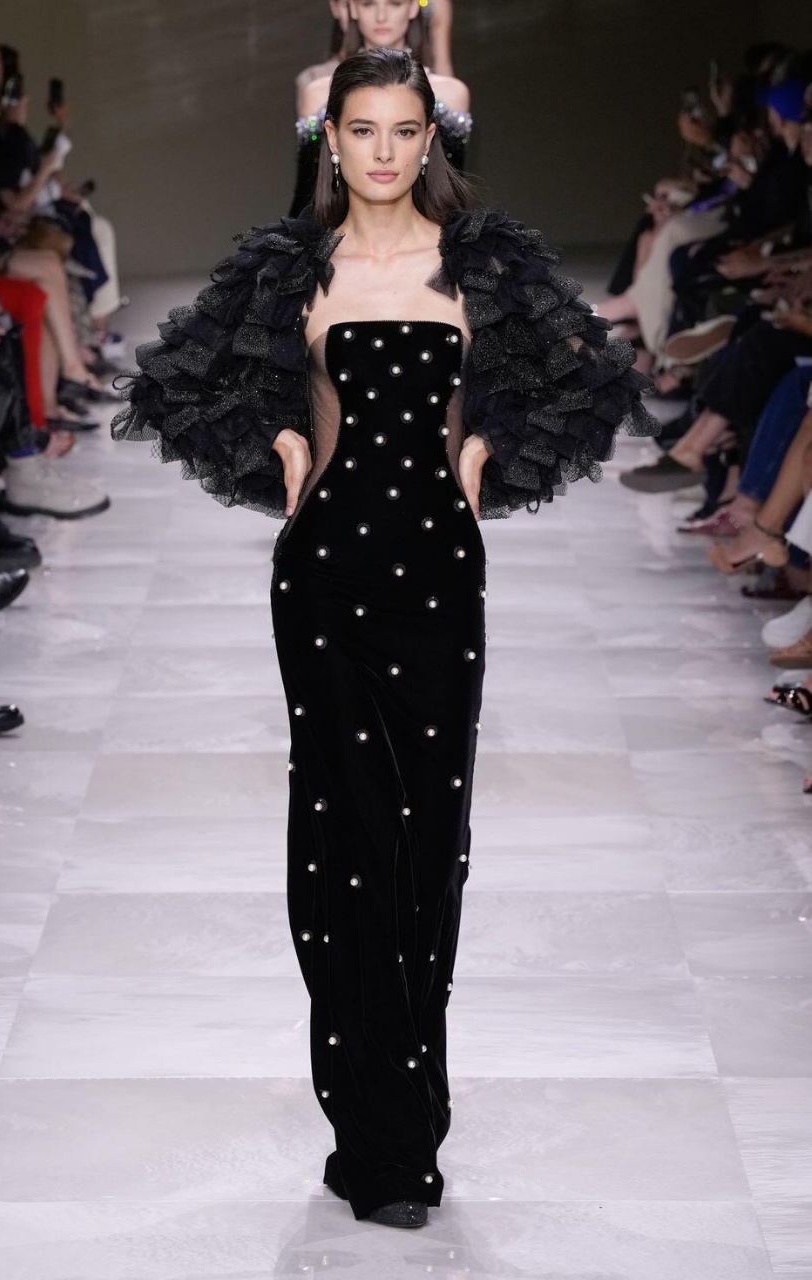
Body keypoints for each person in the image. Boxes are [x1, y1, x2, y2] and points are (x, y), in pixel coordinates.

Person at [112, 47, 655, 1230]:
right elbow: (185, 387)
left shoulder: (478, 264)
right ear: (330, 140)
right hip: (322, 579)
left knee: (426, 846)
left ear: (430, 140)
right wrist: (280, 444)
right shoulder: (294, 267)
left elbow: (585, 383)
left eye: (404, 131)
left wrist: (486, 447)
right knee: (341, 840)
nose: (383, 153)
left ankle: (409, 1100)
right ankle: (379, 1134)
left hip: (438, 578)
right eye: (361, 130)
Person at [290, 0, 470, 216]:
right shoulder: (319, 94)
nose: (381, 16)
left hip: (432, 225)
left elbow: (451, 187)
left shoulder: (451, 94)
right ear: (352, 8)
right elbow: (308, 190)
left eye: (395, 4)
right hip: (335, 226)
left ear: (413, 7)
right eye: (368, 4)